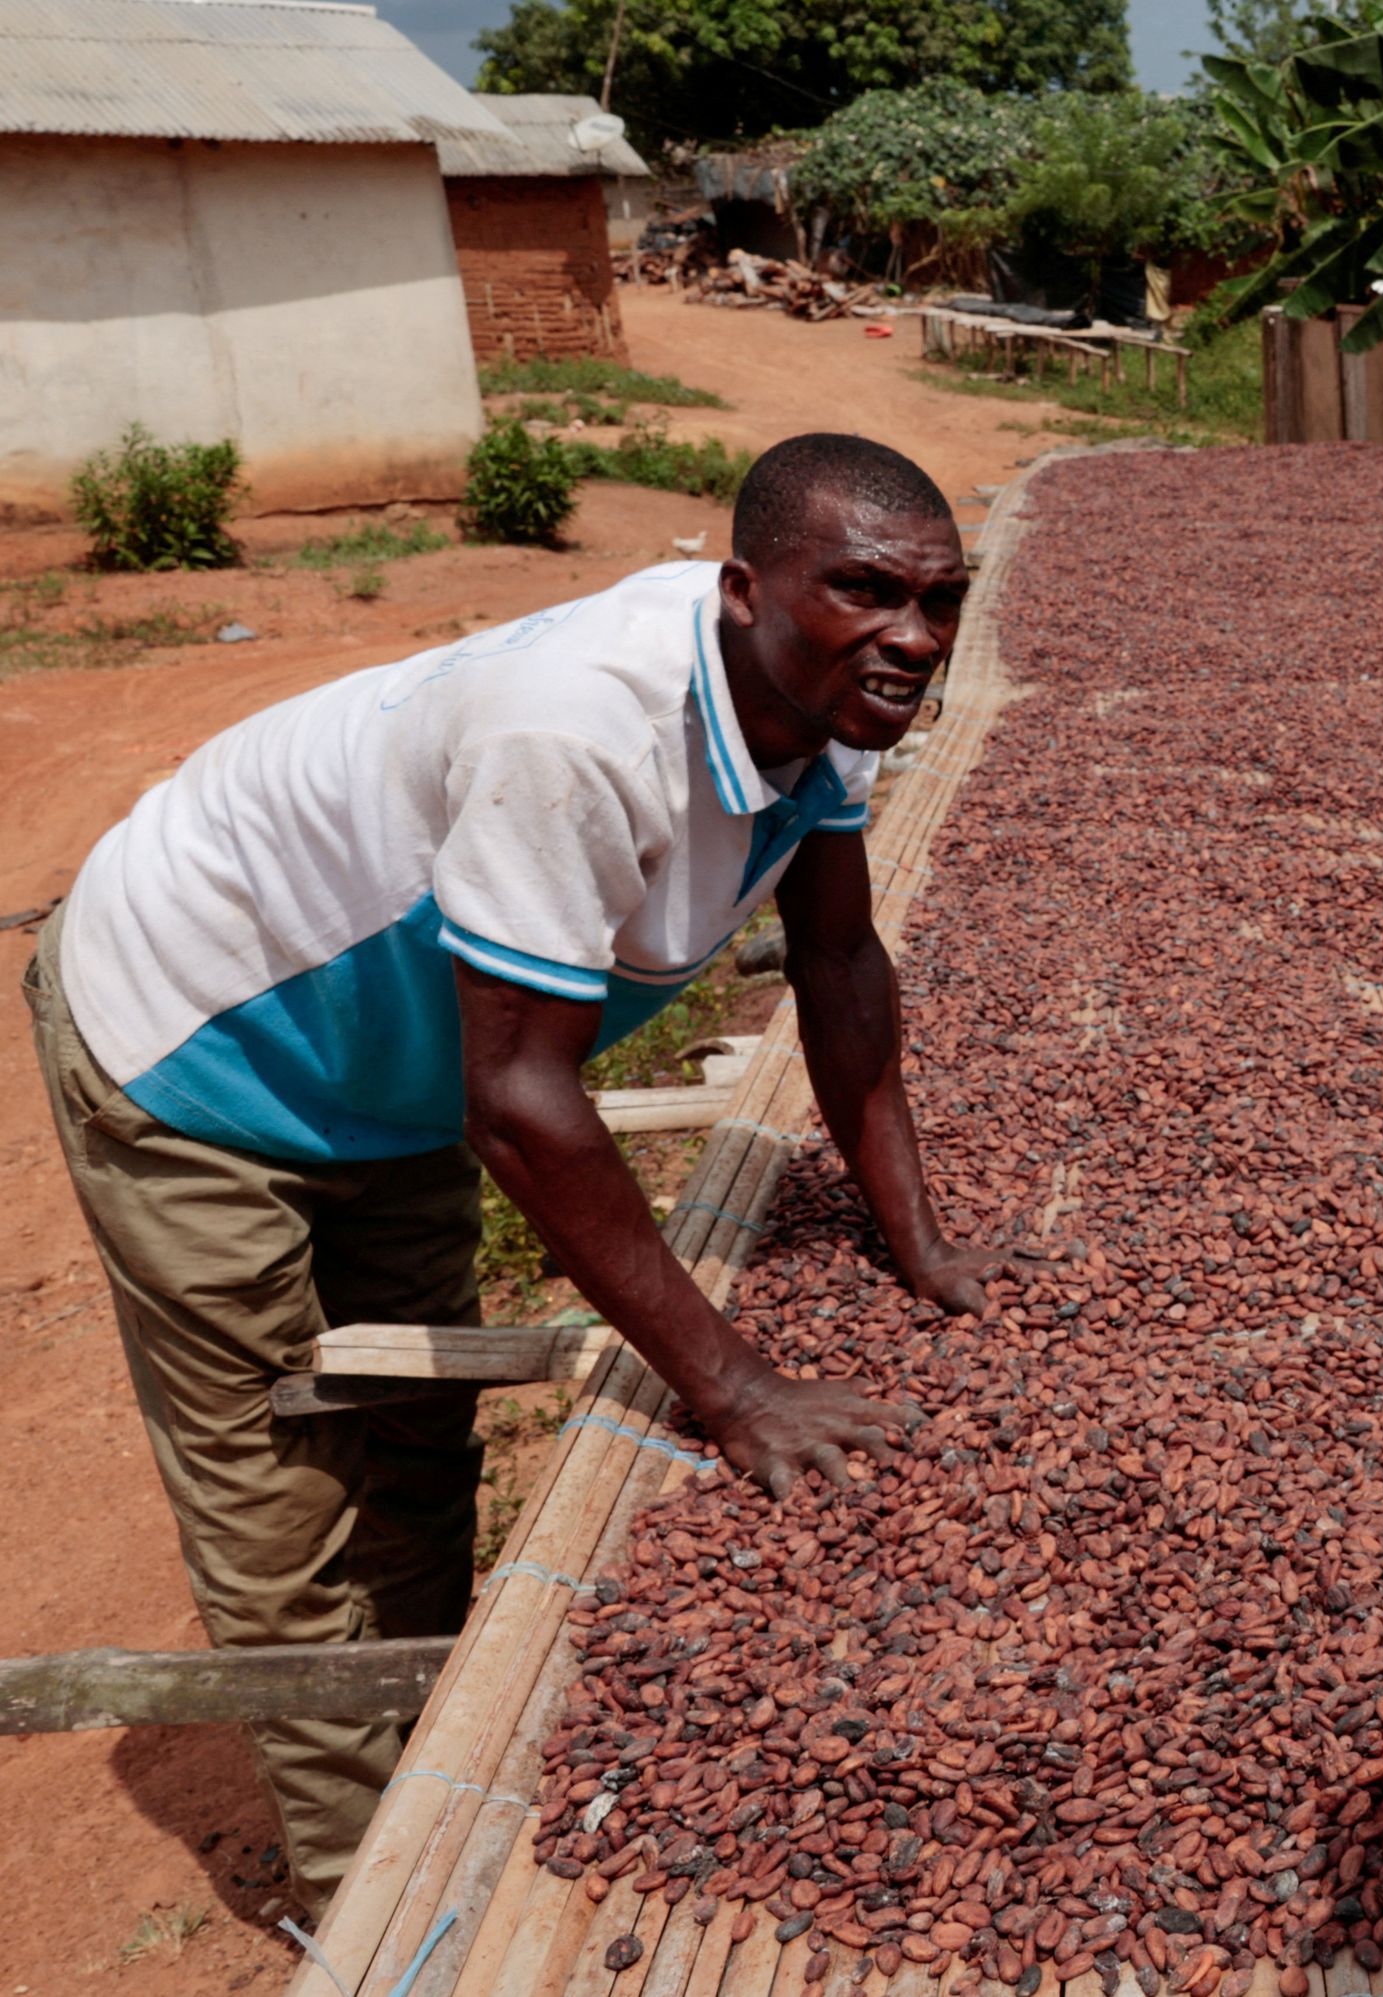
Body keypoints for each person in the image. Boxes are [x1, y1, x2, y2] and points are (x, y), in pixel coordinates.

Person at [28, 430, 1027, 1922]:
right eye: (870, 590)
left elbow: (834, 956)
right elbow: (520, 1106)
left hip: (399, 1076)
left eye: (940, 597)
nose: (916, 634)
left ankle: (429, 1738)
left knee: (416, 1435)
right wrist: (737, 1389)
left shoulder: (838, 695)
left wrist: (923, 1242)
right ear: (744, 586)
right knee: (281, 1496)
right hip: (200, 1039)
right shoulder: (582, 732)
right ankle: (359, 1897)